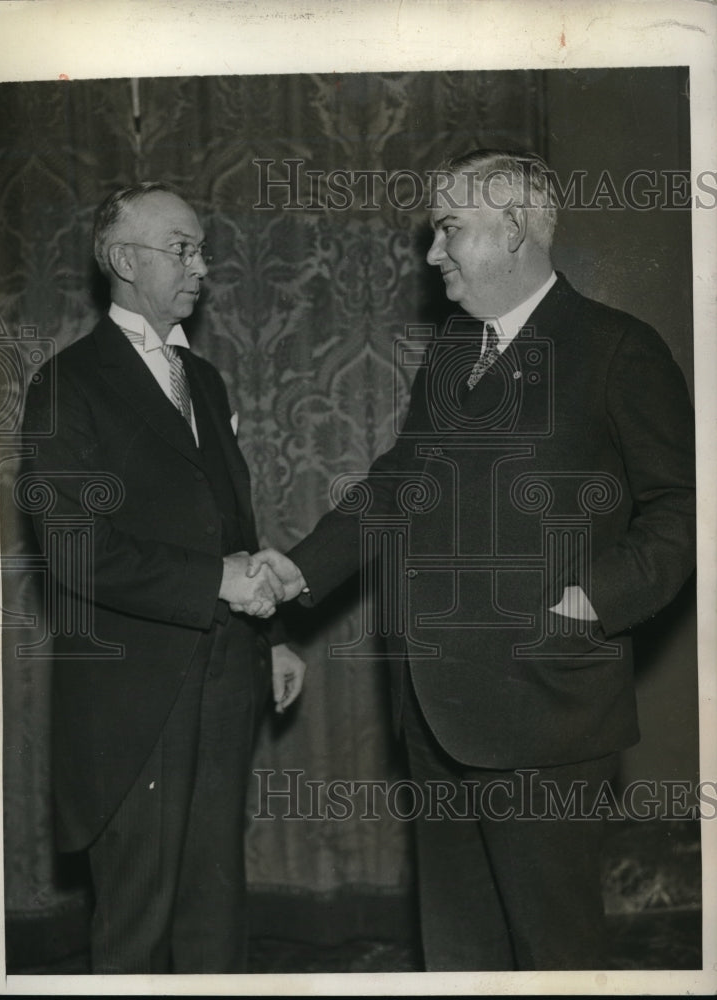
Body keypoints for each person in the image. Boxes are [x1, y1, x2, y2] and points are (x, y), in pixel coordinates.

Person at [247, 150, 696, 970]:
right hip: (433, 703)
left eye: (449, 228)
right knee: (459, 950)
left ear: (515, 228)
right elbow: (399, 482)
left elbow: (683, 509)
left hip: (546, 701)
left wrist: (590, 601)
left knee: (553, 952)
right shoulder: (458, 349)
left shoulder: (618, 349)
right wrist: (301, 567)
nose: (432, 253)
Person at [19, 181, 306, 974]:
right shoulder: (64, 385)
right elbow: (76, 547)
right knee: (138, 926)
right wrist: (216, 581)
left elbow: (233, 520)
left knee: (216, 913)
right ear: (121, 259)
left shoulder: (203, 381)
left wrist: (271, 635)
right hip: (134, 695)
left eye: (203, 250)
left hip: (225, 673)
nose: (202, 267)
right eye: (182, 248)